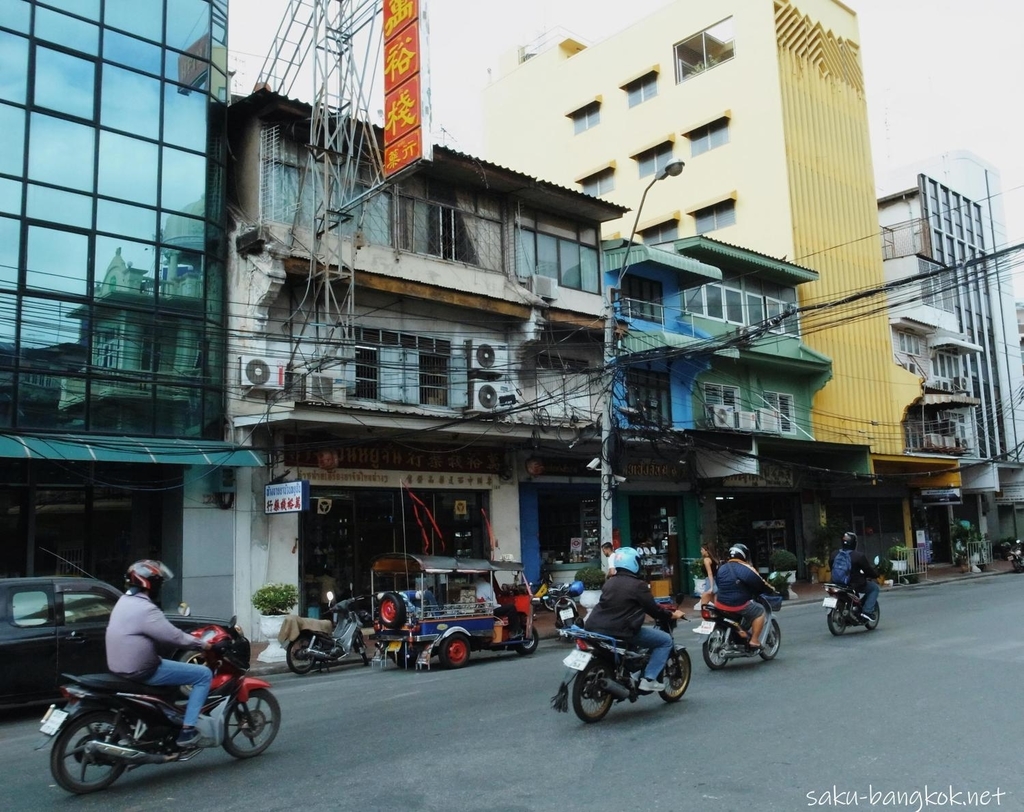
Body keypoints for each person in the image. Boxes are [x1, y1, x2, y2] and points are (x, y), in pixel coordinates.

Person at [105, 560, 212, 749]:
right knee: (203, 675)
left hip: (119, 666)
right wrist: (203, 645)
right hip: (142, 670)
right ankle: (187, 731)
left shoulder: (124, 601)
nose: (160, 587)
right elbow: (174, 637)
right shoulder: (146, 609)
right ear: (149, 583)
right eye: (158, 582)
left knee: (166, 664)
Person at [583, 547, 685, 692]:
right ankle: (649, 679)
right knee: (665, 641)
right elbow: (654, 610)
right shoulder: (638, 585)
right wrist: (671, 615)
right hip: (621, 631)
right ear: (634, 563)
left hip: (594, 627)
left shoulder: (609, 583)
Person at [713, 544, 775, 649]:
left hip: (720, 604)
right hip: (737, 605)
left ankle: (739, 632)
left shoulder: (721, 568)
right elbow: (760, 583)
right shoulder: (746, 568)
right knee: (759, 611)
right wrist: (773, 590)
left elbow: (719, 584)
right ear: (744, 555)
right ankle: (754, 641)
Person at [830, 531, 879, 619]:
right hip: (853, 584)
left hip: (836, 583)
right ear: (854, 543)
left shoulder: (834, 554)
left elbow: (831, 567)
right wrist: (875, 575)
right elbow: (868, 570)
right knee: (874, 588)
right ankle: (867, 612)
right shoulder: (858, 556)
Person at [696, 543, 720, 609]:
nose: (701, 551)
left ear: (706, 550)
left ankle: (705, 616)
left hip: (710, 581)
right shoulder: (714, 559)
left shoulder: (706, 560)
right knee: (716, 603)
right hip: (715, 580)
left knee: (704, 603)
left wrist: (711, 587)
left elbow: (710, 573)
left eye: (702, 549)